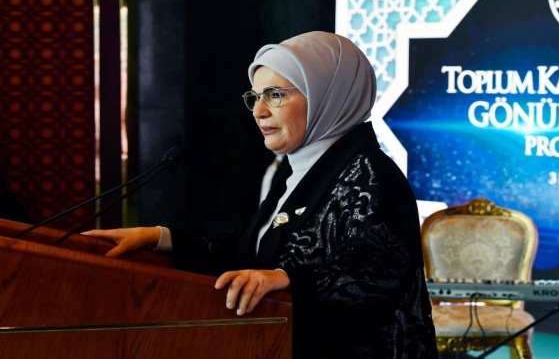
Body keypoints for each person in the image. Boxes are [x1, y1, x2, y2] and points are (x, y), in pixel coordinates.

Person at [83, 31, 439, 359]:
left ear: (326, 95)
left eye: (276, 95)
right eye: (255, 97)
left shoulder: (372, 175)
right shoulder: (297, 170)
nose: (259, 111)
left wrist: (289, 280)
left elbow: (382, 275)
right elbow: (251, 253)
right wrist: (161, 238)